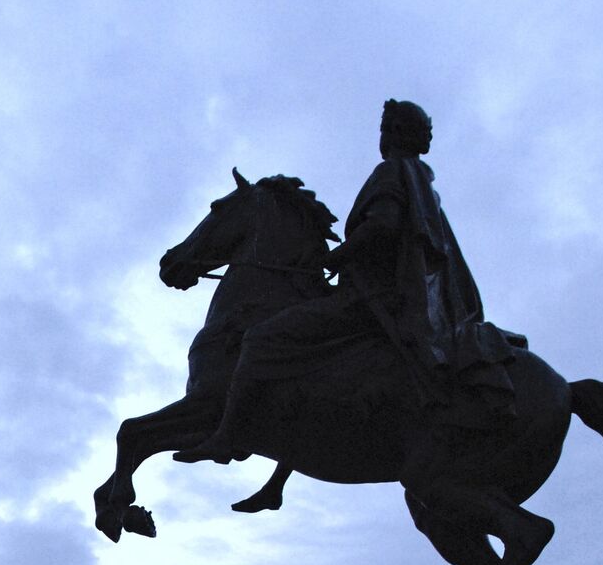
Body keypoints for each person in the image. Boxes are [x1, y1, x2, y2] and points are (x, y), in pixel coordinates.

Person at [175, 98, 519, 467]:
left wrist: (334, 257)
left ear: (390, 133)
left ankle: (228, 437)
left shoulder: (391, 173)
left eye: (385, 128)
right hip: (396, 295)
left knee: (262, 339)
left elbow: (383, 225)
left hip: (372, 298)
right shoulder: (421, 181)